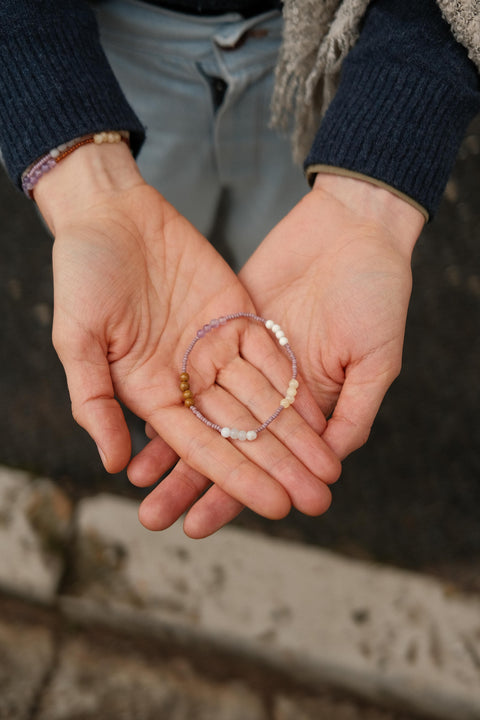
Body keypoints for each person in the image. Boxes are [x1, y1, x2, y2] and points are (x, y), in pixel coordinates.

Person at [0, 0, 479, 537]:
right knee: (153, 226)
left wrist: (375, 190)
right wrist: (84, 183)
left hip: (323, 44)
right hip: (110, 43)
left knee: (284, 226)